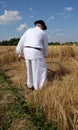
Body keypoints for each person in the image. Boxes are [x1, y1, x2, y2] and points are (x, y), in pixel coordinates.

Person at [16, 20, 48, 90]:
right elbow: (45, 46)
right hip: (36, 51)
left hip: (26, 51)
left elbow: (21, 40)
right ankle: (38, 87)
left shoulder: (28, 30)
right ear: (42, 26)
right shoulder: (43, 33)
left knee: (29, 68)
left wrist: (19, 52)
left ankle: (30, 85)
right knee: (41, 69)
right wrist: (45, 54)